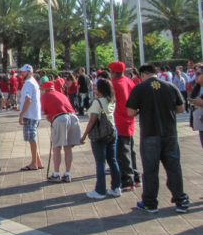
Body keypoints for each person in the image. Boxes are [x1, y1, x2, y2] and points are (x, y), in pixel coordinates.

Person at [126, 64, 189, 213]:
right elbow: (181, 108)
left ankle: (150, 202)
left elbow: (130, 112)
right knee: (174, 167)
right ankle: (180, 200)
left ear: (142, 75)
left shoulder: (140, 88)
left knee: (150, 170)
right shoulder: (170, 86)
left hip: (150, 133)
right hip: (170, 133)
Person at [80, 78, 122, 199]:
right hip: (112, 131)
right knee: (113, 160)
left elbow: (92, 120)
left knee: (100, 162)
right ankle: (116, 187)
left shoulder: (97, 102)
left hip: (100, 134)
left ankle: (100, 190)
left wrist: (84, 136)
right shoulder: (112, 100)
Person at [108, 61, 141, 191]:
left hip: (119, 120)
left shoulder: (114, 84)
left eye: (110, 71)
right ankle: (136, 177)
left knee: (122, 153)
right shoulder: (128, 81)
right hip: (129, 120)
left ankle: (127, 181)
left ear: (114, 72)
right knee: (131, 151)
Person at [39, 81, 80, 181]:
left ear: (45, 89)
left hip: (60, 118)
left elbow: (48, 114)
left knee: (57, 147)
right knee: (68, 147)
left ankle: (56, 174)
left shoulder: (44, 96)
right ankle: (67, 174)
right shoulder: (61, 94)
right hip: (73, 117)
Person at [18, 64, 43, 170]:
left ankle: (34, 163)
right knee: (32, 138)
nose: (21, 73)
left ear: (29, 72)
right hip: (34, 114)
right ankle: (37, 161)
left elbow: (28, 99)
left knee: (31, 139)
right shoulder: (33, 82)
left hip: (30, 114)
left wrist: (21, 114)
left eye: (23, 72)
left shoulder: (28, 83)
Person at [189, 66, 203, 147]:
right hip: (200, 126)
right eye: (195, 73)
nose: (195, 76)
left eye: (198, 74)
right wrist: (192, 123)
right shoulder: (197, 88)